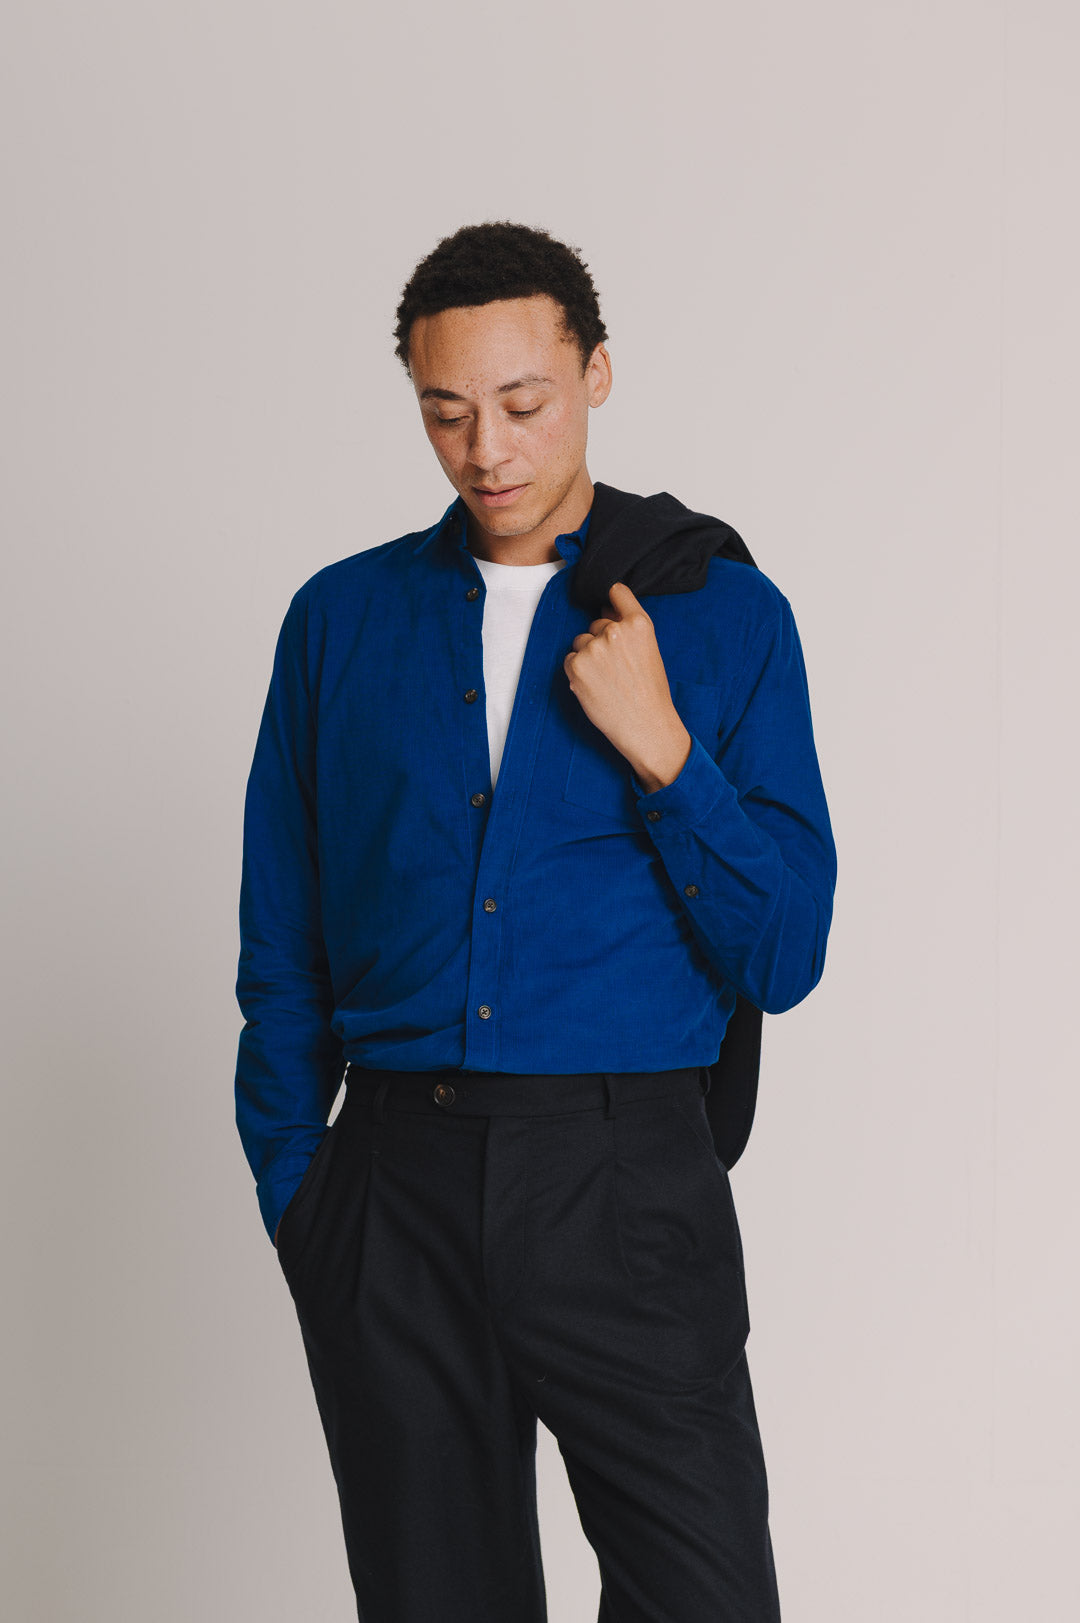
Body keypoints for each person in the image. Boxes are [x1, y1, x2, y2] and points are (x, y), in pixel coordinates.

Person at [234, 220, 837, 1622]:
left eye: (523, 404)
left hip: (626, 1180)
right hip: (394, 1188)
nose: (487, 450)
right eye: (446, 412)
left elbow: (786, 951)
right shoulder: (338, 622)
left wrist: (665, 751)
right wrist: (304, 1197)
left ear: (596, 375)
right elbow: (282, 940)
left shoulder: (728, 618)